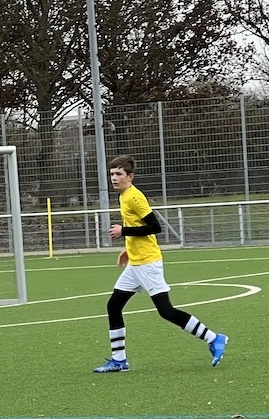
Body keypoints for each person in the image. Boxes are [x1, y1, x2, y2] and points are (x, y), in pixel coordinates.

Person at [93, 155, 228, 373]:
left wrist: (123, 231)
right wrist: (128, 249)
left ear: (130, 176)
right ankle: (119, 361)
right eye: (112, 174)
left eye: (119, 174)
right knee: (114, 306)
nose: (114, 178)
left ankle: (213, 338)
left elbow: (155, 227)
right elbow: (139, 227)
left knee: (166, 311)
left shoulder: (134, 197)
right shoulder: (124, 196)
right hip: (136, 264)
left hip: (147, 264)